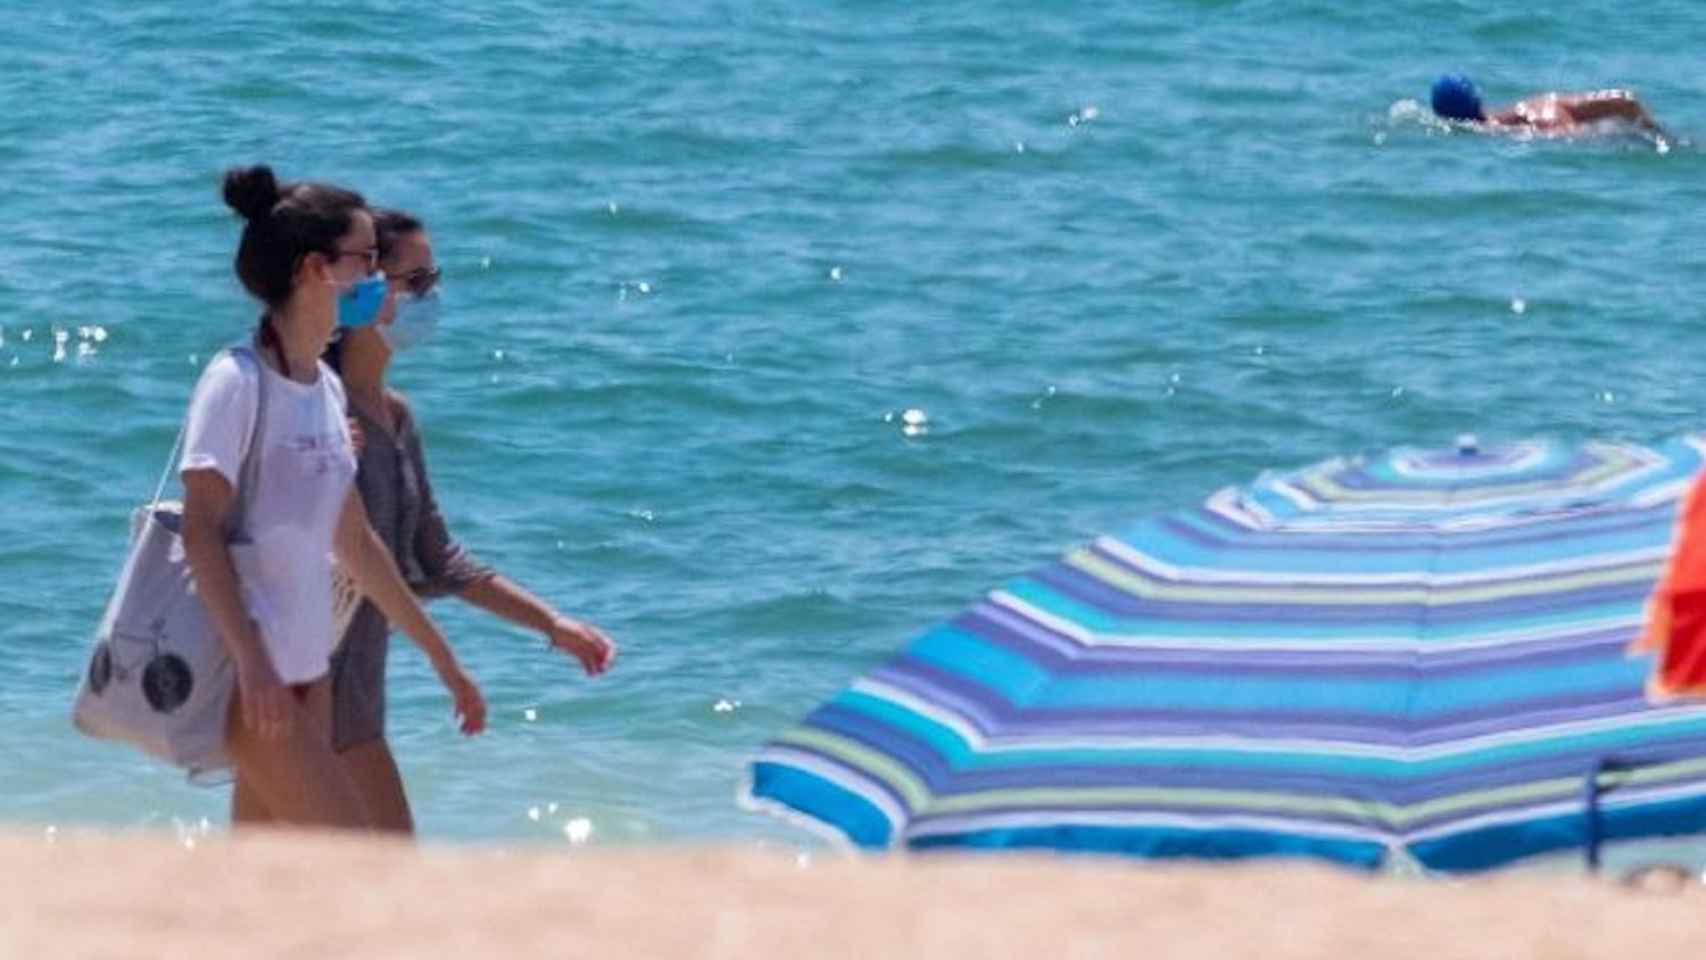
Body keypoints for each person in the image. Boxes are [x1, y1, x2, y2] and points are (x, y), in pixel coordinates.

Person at [181, 166, 486, 830]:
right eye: (366, 259)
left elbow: (357, 544)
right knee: (349, 858)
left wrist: (445, 661)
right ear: (317, 269)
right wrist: (253, 665)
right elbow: (198, 530)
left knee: (267, 876)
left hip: (307, 671)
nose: (379, 277)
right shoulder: (236, 381)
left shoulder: (320, 390)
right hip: (254, 682)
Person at [321, 207, 617, 834]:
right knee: (380, 864)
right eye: (417, 282)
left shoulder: (394, 419)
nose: (433, 298)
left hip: (355, 695)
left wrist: (551, 623)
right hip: (307, 685)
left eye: (435, 278)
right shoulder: (320, 412)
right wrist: (445, 663)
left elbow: (437, 560)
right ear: (366, 289)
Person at [1430, 74, 1669, 141]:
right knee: (1627, 105)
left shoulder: (1493, 130)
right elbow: (1626, 101)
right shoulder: (1534, 105)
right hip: (1553, 105)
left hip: (1552, 128)